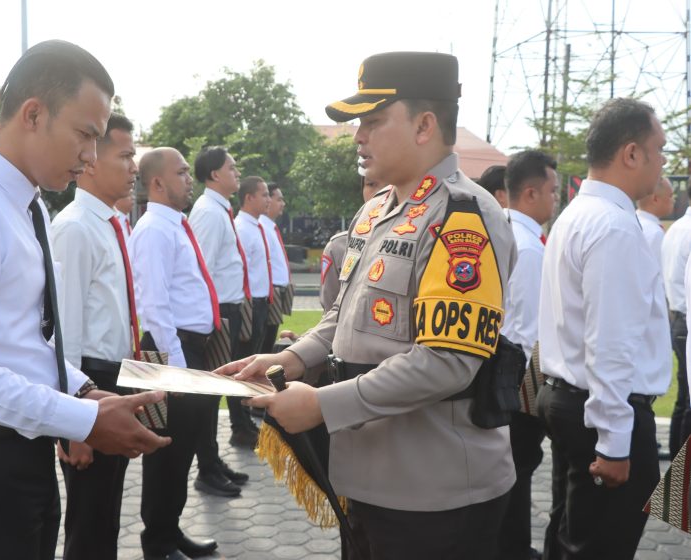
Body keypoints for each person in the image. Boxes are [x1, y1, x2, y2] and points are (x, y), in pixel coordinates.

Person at [219, 51, 517, 559]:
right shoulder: (377, 210)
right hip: (368, 481)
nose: (359, 136)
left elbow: (447, 361)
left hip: (434, 497)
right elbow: (344, 314)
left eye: (374, 121)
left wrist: (321, 405)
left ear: (425, 125)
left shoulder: (463, 216)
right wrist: (290, 359)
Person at [0, 40, 170, 560]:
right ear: (34, 113)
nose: (91, 156)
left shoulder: (27, 206)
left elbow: (26, 341)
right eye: (85, 135)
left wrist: (84, 391)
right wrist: (82, 421)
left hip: (18, 461)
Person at [538, 97, 669, 559]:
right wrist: (615, 443)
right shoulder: (613, 226)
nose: (663, 163)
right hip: (604, 414)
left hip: (573, 401)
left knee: (570, 536)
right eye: (659, 149)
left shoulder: (577, 214)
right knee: (598, 547)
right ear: (631, 153)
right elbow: (610, 344)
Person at [50, 112, 142, 560]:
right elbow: (61, 336)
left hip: (113, 376)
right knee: (88, 519)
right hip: (86, 379)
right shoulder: (74, 228)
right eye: (125, 155)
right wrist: (75, 427)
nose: (134, 166)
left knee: (106, 508)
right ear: (90, 162)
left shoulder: (111, 223)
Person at [130, 147, 222, 560]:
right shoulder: (153, 228)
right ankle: (158, 544)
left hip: (187, 349)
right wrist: (176, 366)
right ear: (157, 183)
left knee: (183, 448)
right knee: (165, 451)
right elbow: (153, 304)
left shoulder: (176, 225)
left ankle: (170, 531)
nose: (189, 179)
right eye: (182, 173)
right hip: (167, 351)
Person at [495, 150, 558, 560]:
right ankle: (514, 549)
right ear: (530, 193)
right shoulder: (531, 249)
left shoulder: (502, 231)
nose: (556, 199)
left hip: (500, 370)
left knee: (508, 469)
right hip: (521, 373)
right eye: (553, 191)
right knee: (519, 467)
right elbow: (535, 330)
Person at [188, 145, 249, 496]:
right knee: (209, 394)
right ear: (214, 174)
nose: (236, 170)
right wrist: (212, 320)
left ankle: (212, 462)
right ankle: (206, 468)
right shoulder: (209, 214)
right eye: (231, 165)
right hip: (219, 312)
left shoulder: (219, 210)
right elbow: (203, 271)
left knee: (217, 393)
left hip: (228, 308)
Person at [231, 176, 273, 447]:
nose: (268, 199)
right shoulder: (242, 229)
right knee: (242, 366)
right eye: (264, 194)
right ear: (249, 198)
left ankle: (245, 419)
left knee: (252, 365)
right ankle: (239, 424)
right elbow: (239, 271)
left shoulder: (255, 226)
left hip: (260, 301)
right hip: (248, 303)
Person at [320, 176, 382, 312]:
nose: (381, 193)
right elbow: (332, 313)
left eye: (390, 184)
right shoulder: (337, 248)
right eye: (371, 184)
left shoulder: (421, 241)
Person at [662, 179, 691, 459]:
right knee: (686, 400)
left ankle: (676, 459)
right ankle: (679, 464)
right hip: (684, 316)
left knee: (683, 398)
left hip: (677, 315)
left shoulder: (676, 228)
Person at [260, 183, 291, 353]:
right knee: (264, 342)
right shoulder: (262, 227)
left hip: (277, 292)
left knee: (269, 338)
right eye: (279, 199)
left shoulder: (269, 226)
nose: (282, 204)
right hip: (270, 292)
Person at [636, 176, 673, 263]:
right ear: (655, 199)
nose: (673, 200)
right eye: (670, 196)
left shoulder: (632, 221)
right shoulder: (655, 233)